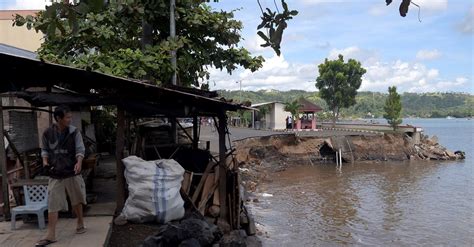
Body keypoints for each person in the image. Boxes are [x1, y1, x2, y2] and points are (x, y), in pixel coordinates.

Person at [36, 105, 87, 246]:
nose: (70, 119)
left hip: (71, 171)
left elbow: (80, 149)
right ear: (58, 118)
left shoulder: (74, 132)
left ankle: (80, 221)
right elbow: (45, 150)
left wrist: (79, 162)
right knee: (53, 202)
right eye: (68, 117)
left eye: (70, 117)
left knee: (76, 199)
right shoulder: (47, 133)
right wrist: (45, 162)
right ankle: (51, 235)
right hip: (55, 172)